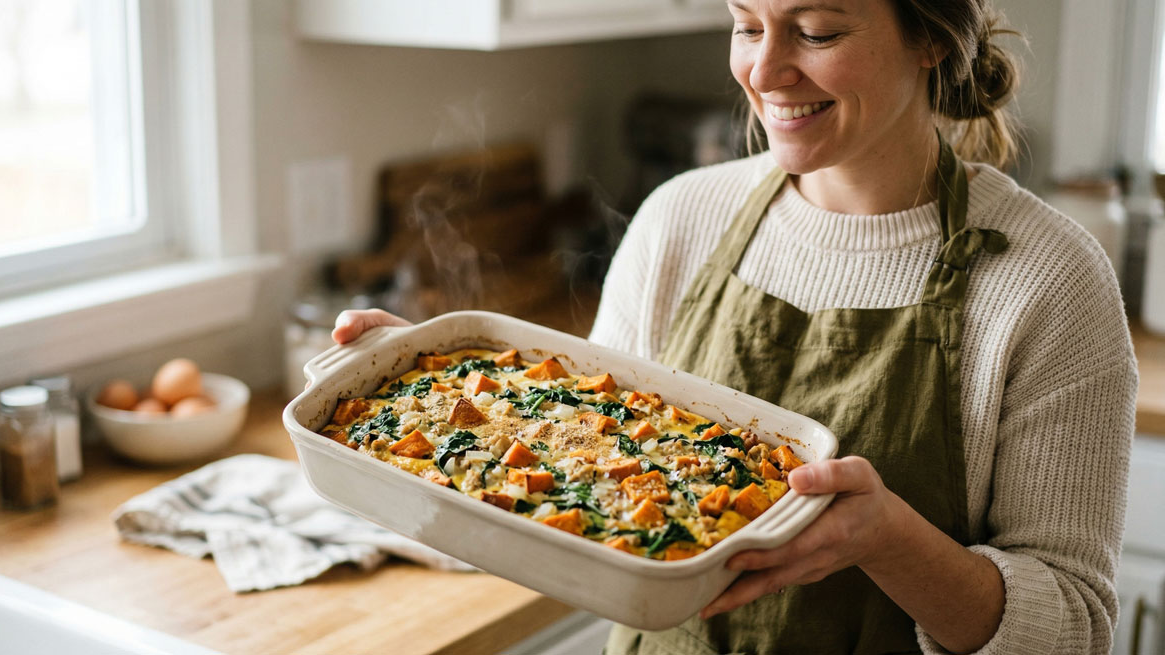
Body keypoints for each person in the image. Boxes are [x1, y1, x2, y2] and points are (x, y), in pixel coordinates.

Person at [331, 0, 1138, 652]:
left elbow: (1073, 627)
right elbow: (573, 479)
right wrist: (426, 396)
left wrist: (886, 537)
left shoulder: (1049, 280)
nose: (764, 69)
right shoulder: (682, 218)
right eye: (746, 24)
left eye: (816, 30)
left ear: (928, 36)